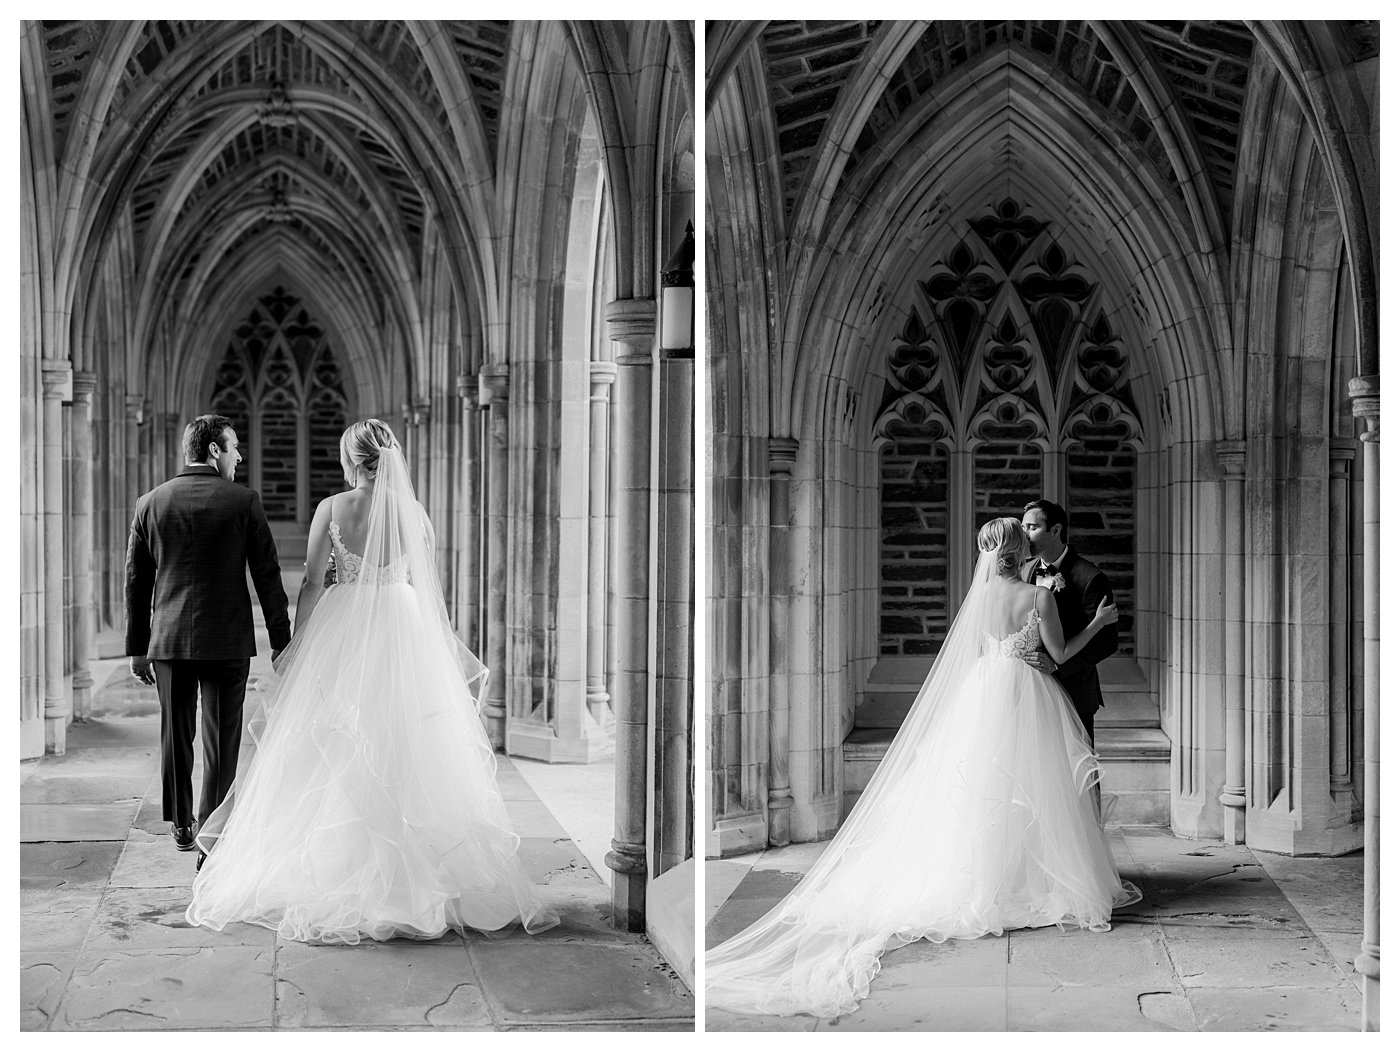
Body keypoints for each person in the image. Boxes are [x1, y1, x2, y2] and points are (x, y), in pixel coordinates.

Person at [705, 517, 1141, 1019]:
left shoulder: (979, 600)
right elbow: (1060, 654)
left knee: (979, 785)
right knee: (1032, 786)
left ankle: (988, 875)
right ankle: (1023, 879)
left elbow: (982, 650)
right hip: (1025, 693)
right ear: (1020, 549)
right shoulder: (1037, 597)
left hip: (984, 692)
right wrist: (1097, 625)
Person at [186, 419, 557, 943]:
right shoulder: (415, 515)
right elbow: (425, 587)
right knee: (406, 740)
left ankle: (339, 868)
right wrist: (434, 647)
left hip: (345, 626)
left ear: (350, 460)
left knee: (334, 741)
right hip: (404, 626)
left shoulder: (332, 510)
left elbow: (314, 581)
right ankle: (422, 873)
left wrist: (297, 643)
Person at [125, 414, 290, 866]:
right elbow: (267, 576)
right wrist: (283, 640)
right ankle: (211, 835)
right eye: (235, 447)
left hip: (170, 641)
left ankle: (181, 821)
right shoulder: (243, 501)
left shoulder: (150, 503)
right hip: (227, 642)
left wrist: (138, 648)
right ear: (214, 450)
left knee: (176, 734)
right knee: (222, 741)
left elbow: (136, 582)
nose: (239, 456)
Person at [1018, 498, 1117, 743]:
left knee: (1080, 773)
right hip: (1030, 692)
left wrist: (1058, 666)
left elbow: (1107, 642)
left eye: (1032, 527)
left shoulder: (1091, 578)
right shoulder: (1023, 572)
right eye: (1023, 528)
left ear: (1056, 530)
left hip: (1074, 691)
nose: (1025, 534)